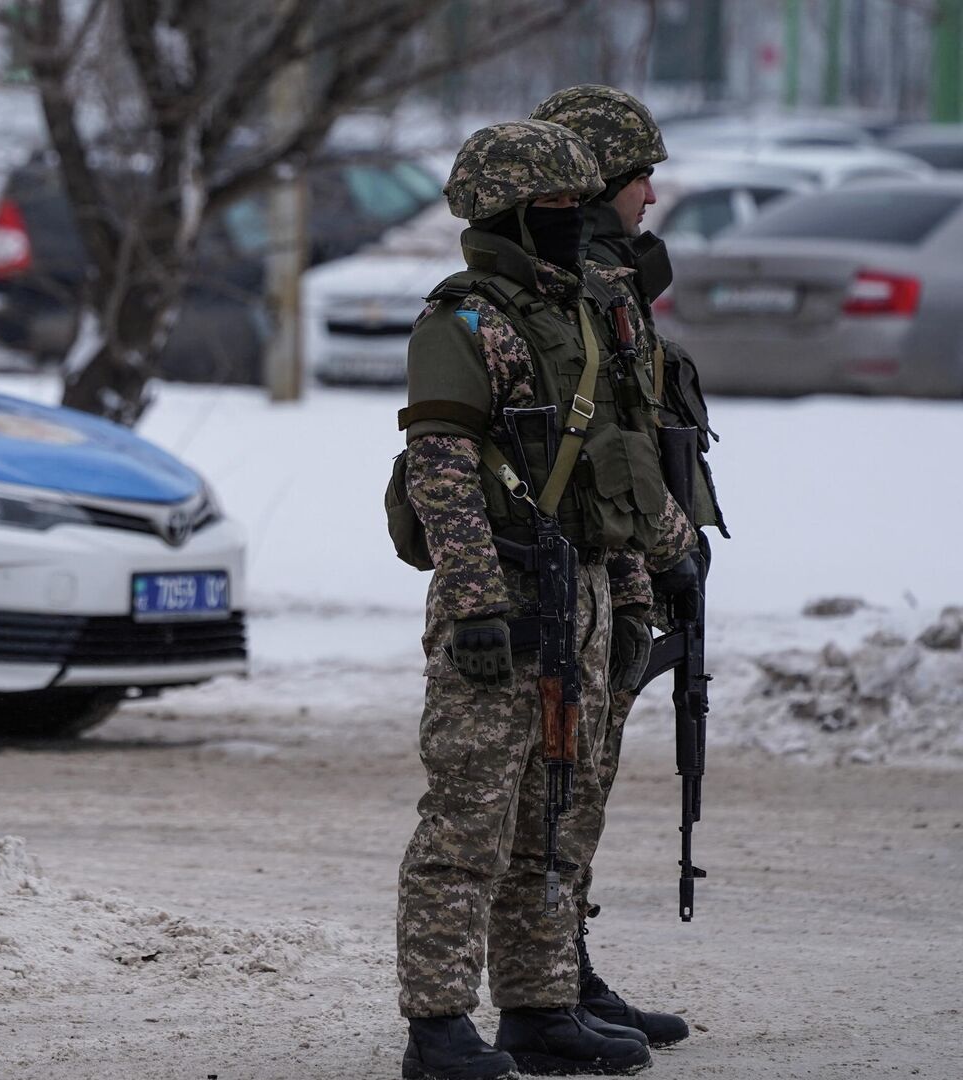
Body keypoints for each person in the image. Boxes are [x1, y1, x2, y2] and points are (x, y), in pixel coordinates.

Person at [389, 119, 698, 1079]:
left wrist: (639, 591)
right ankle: (438, 1027)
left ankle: (539, 1003)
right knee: (470, 820)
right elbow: (441, 468)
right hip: (510, 599)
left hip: (590, 592)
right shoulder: (466, 321)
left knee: (559, 817)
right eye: (557, 209)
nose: (576, 223)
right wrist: (479, 605)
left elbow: (618, 482)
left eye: (579, 204)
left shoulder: (574, 314)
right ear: (512, 216)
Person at [530, 82, 727, 1052]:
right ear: (602, 177)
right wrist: (668, 544)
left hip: (618, 559)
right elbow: (614, 440)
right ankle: (542, 989)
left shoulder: (610, 282)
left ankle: (567, 971)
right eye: (641, 173)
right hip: (572, 560)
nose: (654, 194)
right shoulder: (567, 292)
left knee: (585, 785)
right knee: (554, 789)